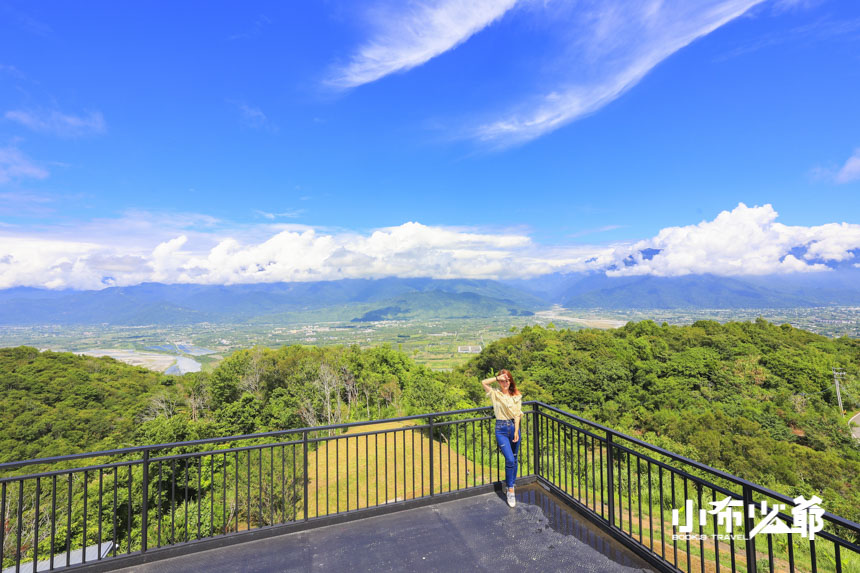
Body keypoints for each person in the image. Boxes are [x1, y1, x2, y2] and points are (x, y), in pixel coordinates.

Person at [481, 369, 522, 508]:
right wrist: (497, 377)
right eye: (503, 380)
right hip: (501, 429)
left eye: (507, 379)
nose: (505, 382)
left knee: (514, 458)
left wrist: (516, 430)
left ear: (510, 381)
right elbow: (483, 382)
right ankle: (510, 490)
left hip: (513, 427)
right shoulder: (495, 394)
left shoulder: (516, 395)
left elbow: (517, 414)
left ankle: (511, 485)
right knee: (509, 459)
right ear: (499, 381)